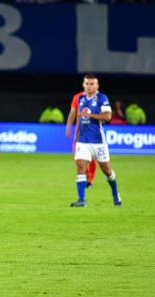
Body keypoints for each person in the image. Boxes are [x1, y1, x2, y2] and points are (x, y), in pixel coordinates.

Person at [70, 74, 121, 207]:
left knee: (106, 170)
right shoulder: (80, 98)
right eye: (87, 83)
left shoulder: (102, 98)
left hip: (98, 141)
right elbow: (81, 118)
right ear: (83, 85)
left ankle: (116, 194)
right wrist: (77, 134)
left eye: (92, 84)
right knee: (80, 167)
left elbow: (108, 116)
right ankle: (81, 200)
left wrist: (90, 115)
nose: (90, 86)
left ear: (97, 86)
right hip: (83, 140)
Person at [66, 90, 97, 188]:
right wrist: (68, 127)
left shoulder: (98, 98)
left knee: (91, 157)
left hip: (93, 132)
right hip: (80, 132)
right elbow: (72, 112)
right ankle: (84, 177)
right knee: (78, 155)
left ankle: (90, 180)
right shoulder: (77, 97)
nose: (89, 86)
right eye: (87, 83)